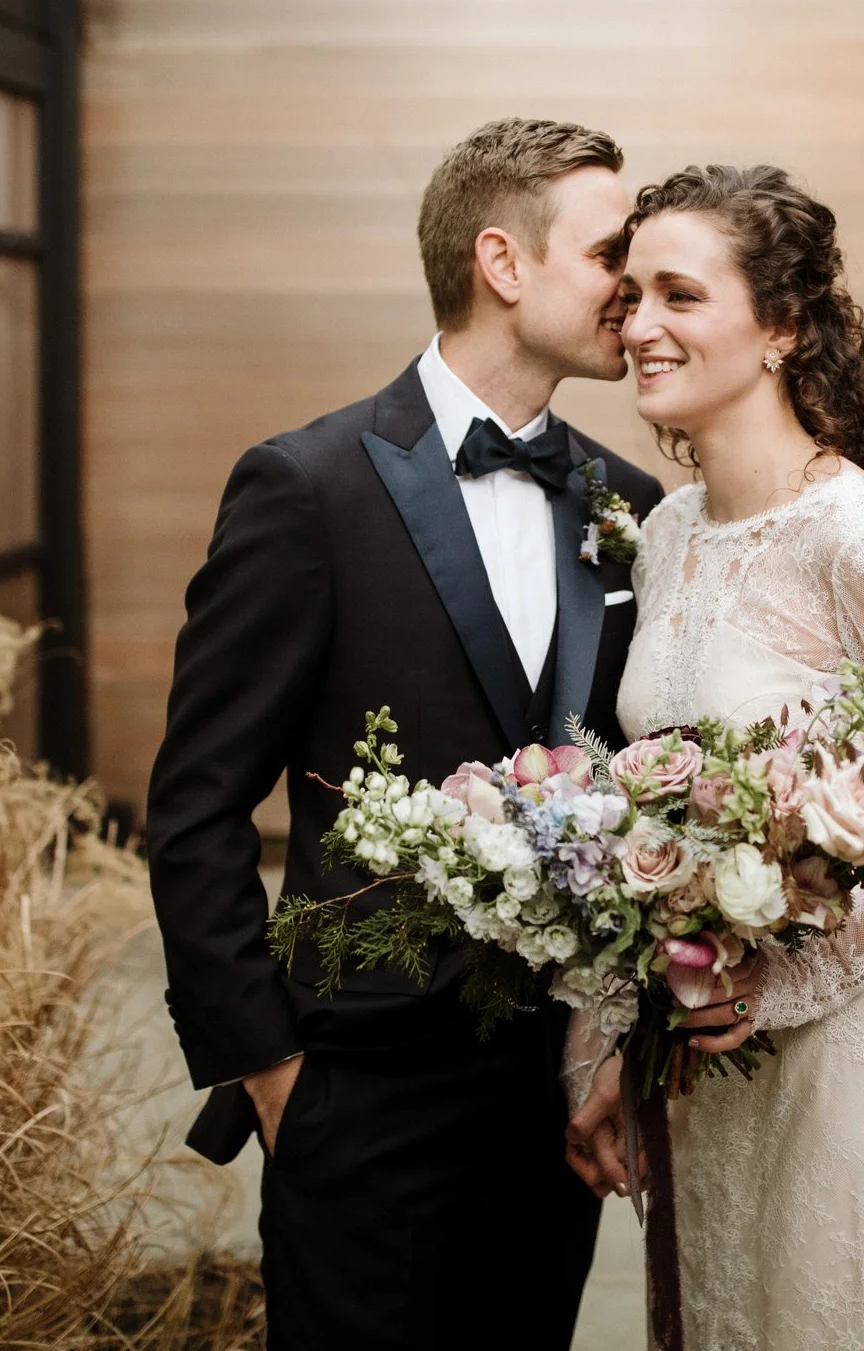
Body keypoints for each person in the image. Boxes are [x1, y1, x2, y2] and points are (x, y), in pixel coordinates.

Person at [143, 118, 668, 1350]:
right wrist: (273, 1076)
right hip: (357, 1092)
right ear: (503, 260)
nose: (632, 296)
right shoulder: (305, 486)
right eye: (610, 258)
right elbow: (197, 806)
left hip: (553, 1098)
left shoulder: (626, 505)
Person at [563, 164, 864, 1350]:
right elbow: (654, 827)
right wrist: (609, 1045)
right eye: (629, 296)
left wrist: (783, 981)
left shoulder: (854, 533)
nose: (639, 325)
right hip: (708, 1083)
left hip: (848, 1071)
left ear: (780, 328)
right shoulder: (668, 533)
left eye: (680, 293)